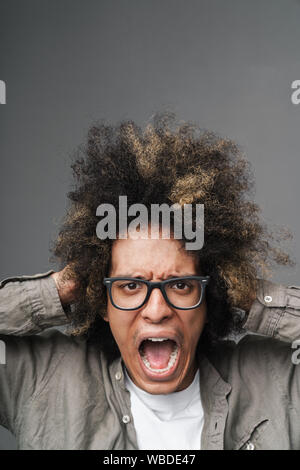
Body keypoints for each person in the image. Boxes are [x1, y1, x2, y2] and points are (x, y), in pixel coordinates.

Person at [0, 113, 299, 450]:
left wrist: (252, 297)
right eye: (131, 286)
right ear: (101, 301)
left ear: (210, 296)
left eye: (180, 285)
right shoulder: (41, 377)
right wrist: (57, 290)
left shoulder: (279, 379)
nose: (156, 311)